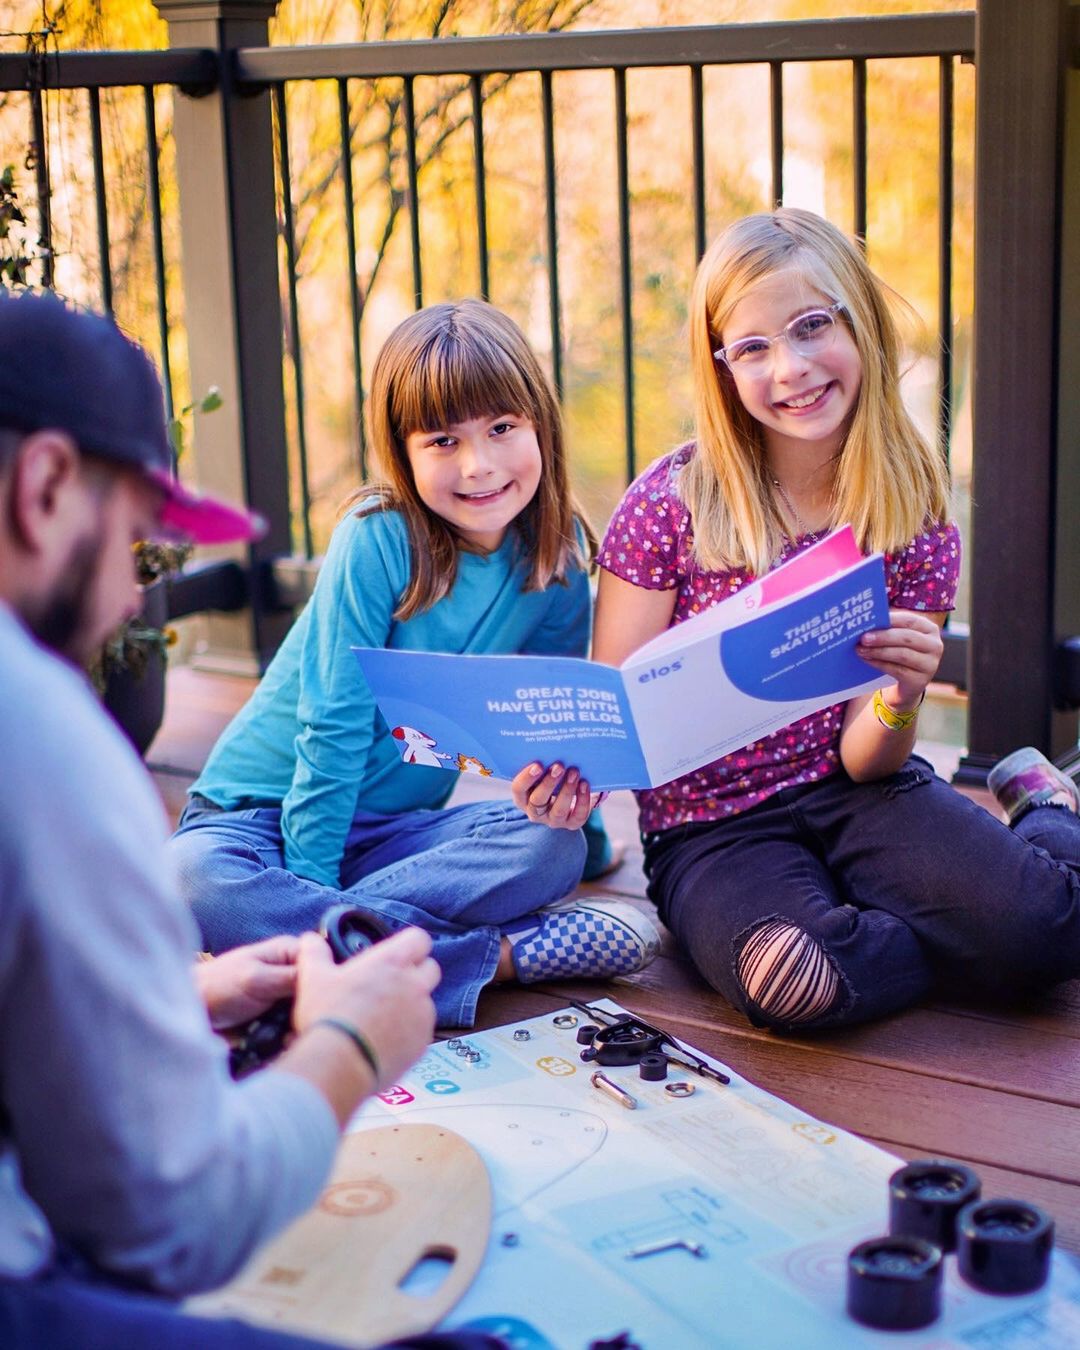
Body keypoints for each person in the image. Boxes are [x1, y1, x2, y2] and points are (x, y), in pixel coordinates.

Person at [0, 290, 503, 1350]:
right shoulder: (37, 730)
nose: (126, 603)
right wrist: (348, 1046)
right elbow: (175, 1226)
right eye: (137, 546)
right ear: (47, 488)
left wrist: (175, 996)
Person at [512, 207, 1080, 1033]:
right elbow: (615, 722)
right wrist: (568, 781)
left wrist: (902, 691)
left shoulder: (912, 512)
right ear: (724, 370)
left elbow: (869, 754)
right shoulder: (669, 505)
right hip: (713, 832)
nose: (792, 367)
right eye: (753, 348)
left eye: (813, 326)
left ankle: (1044, 808)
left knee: (1049, 934)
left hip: (862, 794)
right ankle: (924, 925)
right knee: (796, 982)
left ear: (860, 322)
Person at [169, 300, 658, 1031]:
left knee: (544, 848)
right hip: (259, 821)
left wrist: (579, 836)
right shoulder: (377, 540)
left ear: (540, 427)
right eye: (442, 441)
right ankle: (496, 958)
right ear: (403, 453)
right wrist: (309, 883)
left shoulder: (556, 566)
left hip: (394, 836)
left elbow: (549, 740)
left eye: (501, 428)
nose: (479, 465)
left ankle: (293, 957)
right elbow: (330, 725)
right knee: (189, 882)